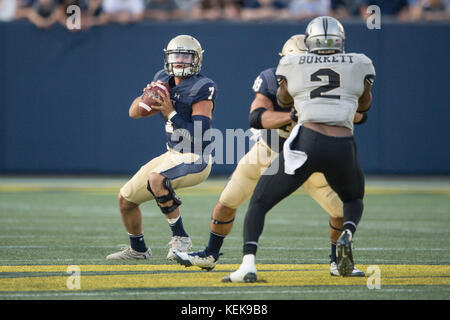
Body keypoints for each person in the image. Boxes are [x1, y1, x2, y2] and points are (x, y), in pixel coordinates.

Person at [174, 34, 366, 277]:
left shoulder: (329, 83)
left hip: (309, 154)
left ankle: (337, 262)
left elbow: (360, 115)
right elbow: (257, 117)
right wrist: (293, 117)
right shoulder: (271, 79)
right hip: (269, 150)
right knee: (227, 201)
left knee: (339, 210)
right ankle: (211, 253)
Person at [223, 16, 375, 282]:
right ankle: (347, 235)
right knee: (352, 201)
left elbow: (283, 98)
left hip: (308, 140)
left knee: (259, 202)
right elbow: (363, 108)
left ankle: (248, 264)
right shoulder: (359, 62)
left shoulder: (292, 62)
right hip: (342, 142)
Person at [106, 35, 218, 261]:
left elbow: (200, 134)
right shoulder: (162, 79)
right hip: (173, 154)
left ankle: (181, 238)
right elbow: (133, 112)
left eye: (186, 56)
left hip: (197, 156)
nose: (180, 61)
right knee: (125, 199)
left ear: (196, 60)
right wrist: (147, 98)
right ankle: (138, 249)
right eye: (176, 56)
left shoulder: (202, 87)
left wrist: (170, 113)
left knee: (157, 179)